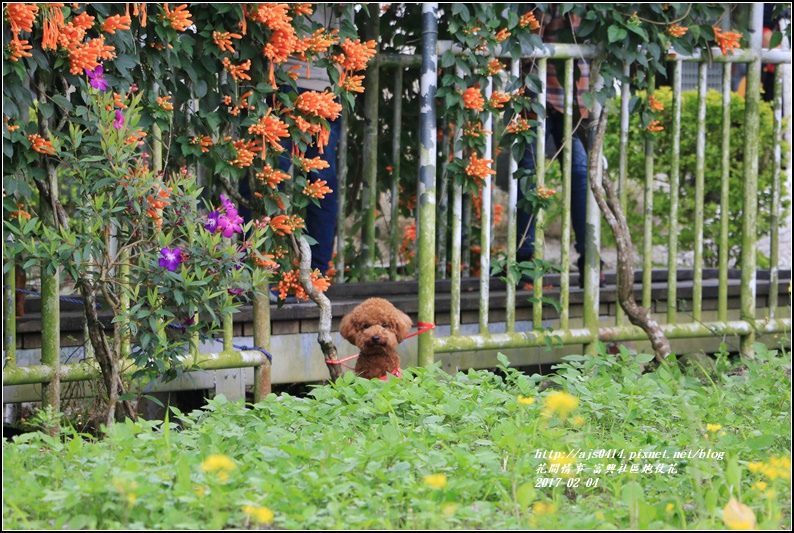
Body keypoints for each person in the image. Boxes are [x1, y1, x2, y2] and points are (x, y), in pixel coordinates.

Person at [516, 4, 605, 288]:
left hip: (574, 95)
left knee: (580, 172)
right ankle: (526, 260)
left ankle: (589, 257)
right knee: (529, 172)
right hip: (534, 89)